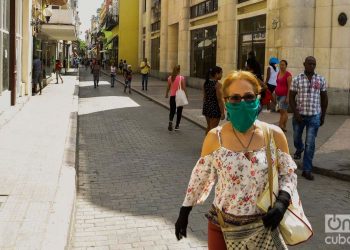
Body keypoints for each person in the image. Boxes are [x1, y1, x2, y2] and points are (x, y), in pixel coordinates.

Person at [175, 70, 297, 250]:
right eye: (235, 98)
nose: (242, 102)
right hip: (222, 227)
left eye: (248, 97)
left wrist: (283, 201)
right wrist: (185, 210)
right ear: (226, 101)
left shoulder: (274, 135)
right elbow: (200, 176)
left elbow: (288, 174)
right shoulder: (214, 137)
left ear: (257, 98)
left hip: (264, 227)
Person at [289, 56, 328, 181]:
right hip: (299, 116)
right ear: (304, 64)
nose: (312, 66)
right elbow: (291, 98)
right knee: (296, 138)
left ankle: (307, 170)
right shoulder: (297, 79)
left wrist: (323, 115)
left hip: (314, 116)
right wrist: (296, 113)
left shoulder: (320, 79)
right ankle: (299, 148)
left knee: (310, 143)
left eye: (314, 64)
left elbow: (324, 98)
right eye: (309, 63)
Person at [202, 66, 225, 134]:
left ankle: (206, 143)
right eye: (221, 73)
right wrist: (222, 112)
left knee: (209, 127)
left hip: (207, 107)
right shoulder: (218, 85)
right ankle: (210, 144)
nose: (222, 75)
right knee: (213, 129)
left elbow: (204, 97)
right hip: (215, 108)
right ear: (216, 74)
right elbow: (219, 99)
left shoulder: (205, 83)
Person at [165, 65, 187, 131]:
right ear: (179, 70)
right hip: (179, 97)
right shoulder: (181, 78)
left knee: (172, 111)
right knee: (179, 111)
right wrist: (186, 95)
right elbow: (184, 88)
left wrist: (166, 94)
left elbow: (168, 87)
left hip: (172, 97)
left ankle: (170, 122)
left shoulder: (170, 78)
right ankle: (177, 126)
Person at [275, 60, 292, 132]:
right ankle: (284, 126)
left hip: (284, 95)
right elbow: (278, 84)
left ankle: (279, 127)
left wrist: (288, 97)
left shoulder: (288, 75)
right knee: (284, 112)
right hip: (278, 95)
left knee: (282, 111)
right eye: (280, 65)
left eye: (283, 65)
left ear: (286, 66)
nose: (281, 66)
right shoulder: (278, 73)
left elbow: (289, 87)